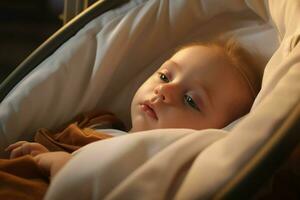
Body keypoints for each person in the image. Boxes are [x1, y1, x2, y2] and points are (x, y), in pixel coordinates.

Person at [5, 38, 261, 179]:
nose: (164, 91)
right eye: (164, 77)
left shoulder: (153, 170)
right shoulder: (98, 122)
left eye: (191, 100)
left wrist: (59, 164)